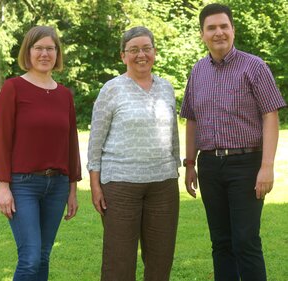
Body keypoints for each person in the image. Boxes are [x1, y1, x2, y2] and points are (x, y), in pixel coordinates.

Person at [181, 3, 287, 281]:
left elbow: (270, 115)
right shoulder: (197, 71)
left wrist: (266, 166)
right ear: (202, 34)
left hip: (247, 164)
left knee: (246, 241)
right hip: (209, 166)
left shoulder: (254, 67)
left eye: (223, 26)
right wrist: (190, 164)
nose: (218, 33)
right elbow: (191, 119)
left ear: (233, 30)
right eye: (211, 28)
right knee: (221, 242)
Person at [87, 26, 181, 281]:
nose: (141, 55)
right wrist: (95, 185)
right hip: (120, 185)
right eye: (134, 50)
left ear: (155, 52)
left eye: (146, 48)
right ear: (123, 56)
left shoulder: (166, 88)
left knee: (161, 258)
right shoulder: (112, 89)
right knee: (119, 260)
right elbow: (96, 140)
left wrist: (176, 167)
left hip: (163, 184)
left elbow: (173, 133)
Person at [0, 25, 82, 281]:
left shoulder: (64, 95)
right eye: (38, 48)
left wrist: (72, 189)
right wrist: (3, 187)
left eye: (50, 48)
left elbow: (71, 144)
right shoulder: (13, 88)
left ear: (57, 53)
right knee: (30, 258)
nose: (45, 54)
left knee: (43, 256)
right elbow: (2, 140)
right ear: (28, 52)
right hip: (23, 186)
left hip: (58, 186)